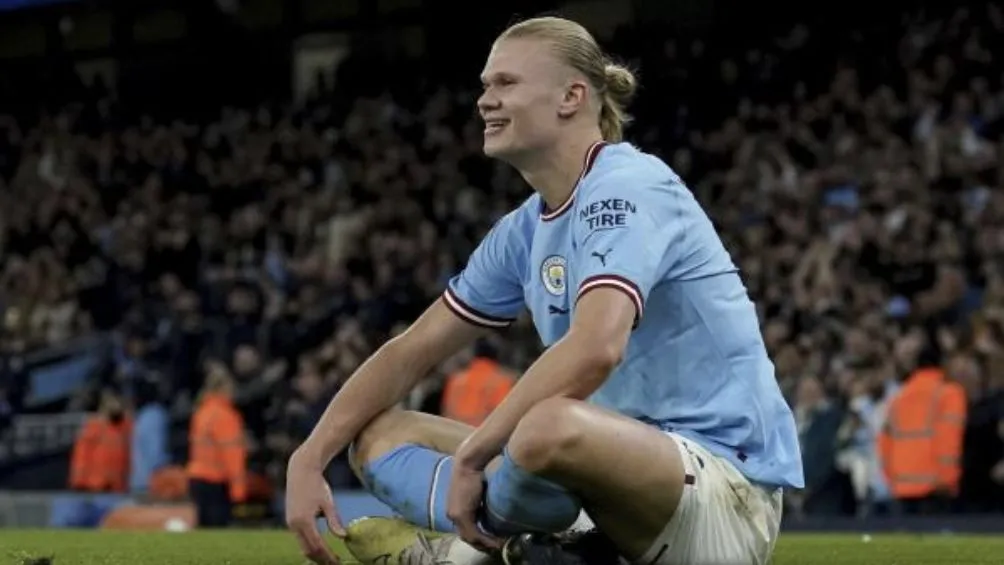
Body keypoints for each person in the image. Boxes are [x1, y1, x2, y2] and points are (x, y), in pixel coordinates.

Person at [284, 16, 804, 565]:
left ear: (571, 97)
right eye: (485, 85)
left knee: (545, 426)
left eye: (505, 83)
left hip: (723, 493)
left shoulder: (628, 185)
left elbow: (596, 349)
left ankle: (466, 554)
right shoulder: (525, 230)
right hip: (604, 492)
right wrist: (310, 456)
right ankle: (533, 550)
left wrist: (471, 458)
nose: (485, 100)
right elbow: (410, 352)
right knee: (380, 434)